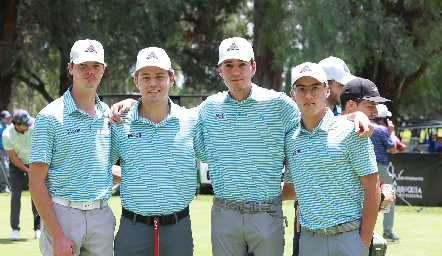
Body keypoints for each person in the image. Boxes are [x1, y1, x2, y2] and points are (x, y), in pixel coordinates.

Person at [110, 37, 373, 256]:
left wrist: (352, 117)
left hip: (267, 213)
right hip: (225, 213)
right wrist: (132, 103)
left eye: (242, 64)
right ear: (220, 70)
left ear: (253, 67)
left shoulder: (279, 104)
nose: (236, 71)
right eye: (229, 65)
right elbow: (163, 108)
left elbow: (314, 117)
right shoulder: (208, 108)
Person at [29, 39, 116, 256]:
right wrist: (57, 235)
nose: (90, 71)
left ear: (103, 69)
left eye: (96, 66)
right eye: (82, 65)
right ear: (70, 68)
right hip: (62, 216)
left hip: (101, 216)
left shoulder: (108, 116)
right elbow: (36, 179)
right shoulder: (49, 117)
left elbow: (101, 168)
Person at [284, 62, 380, 256]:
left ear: (326, 90)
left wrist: (364, 241)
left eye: (315, 87)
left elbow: (372, 187)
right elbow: (294, 189)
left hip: (349, 238)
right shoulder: (291, 139)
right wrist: (250, 196)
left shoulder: (352, 132)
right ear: (293, 94)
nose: (308, 95)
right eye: (301, 89)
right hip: (310, 241)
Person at [111, 47, 199, 256]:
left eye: (160, 76)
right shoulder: (120, 123)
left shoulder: (191, 120)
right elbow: (101, 165)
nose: (153, 83)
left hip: (178, 228)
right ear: (136, 80)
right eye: (146, 77)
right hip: (133, 228)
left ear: (171, 78)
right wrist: (130, 176)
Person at [2, 109, 39, 241]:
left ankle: (38, 228)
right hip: (16, 166)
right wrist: (28, 171)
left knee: (36, 194)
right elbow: (13, 158)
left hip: (34, 162)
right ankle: (15, 230)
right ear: (17, 125)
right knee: (16, 195)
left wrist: (33, 170)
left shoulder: (34, 128)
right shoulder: (7, 134)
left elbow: (40, 149)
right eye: (25, 123)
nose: (28, 125)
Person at [371, 104, 401, 242]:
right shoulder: (382, 130)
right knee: (389, 197)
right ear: (383, 119)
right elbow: (394, 150)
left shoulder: (364, 126)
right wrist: (391, 132)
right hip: (379, 168)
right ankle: (388, 232)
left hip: (363, 167)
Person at [0, 110, 12, 193]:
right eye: (6, 118)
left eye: (9, 117)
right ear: (2, 118)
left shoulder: (7, 126)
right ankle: (4, 187)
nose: (8, 119)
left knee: (6, 167)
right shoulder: (0, 127)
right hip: (1, 149)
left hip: (7, 149)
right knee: (4, 167)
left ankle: (6, 186)